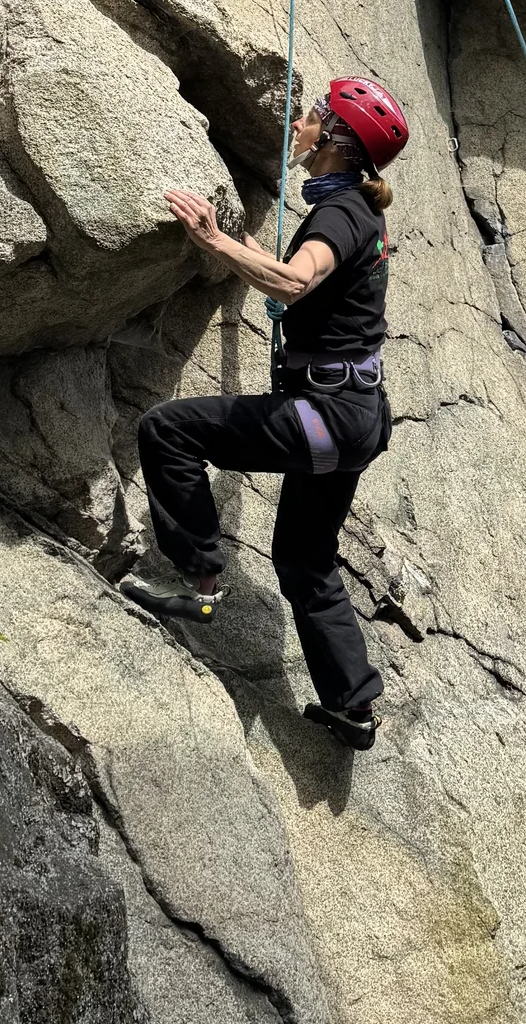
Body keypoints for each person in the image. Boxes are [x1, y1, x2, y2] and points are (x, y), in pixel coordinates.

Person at [127, 76, 410, 752]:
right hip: (358, 417)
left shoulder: (342, 213)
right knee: (306, 559)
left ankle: (198, 582)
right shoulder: (353, 212)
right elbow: (300, 276)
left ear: (336, 140)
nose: (301, 125)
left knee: (167, 429)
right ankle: (353, 707)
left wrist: (211, 242)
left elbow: (294, 279)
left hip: (326, 414)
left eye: (313, 117)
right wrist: (240, 244)